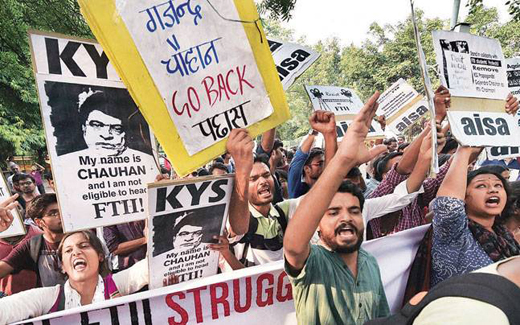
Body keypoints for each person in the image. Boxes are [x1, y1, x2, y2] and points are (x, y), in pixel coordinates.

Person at [284, 92, 390, 324]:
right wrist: (342, 159)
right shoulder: (313, 263)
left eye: (354, 211)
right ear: (317, 225)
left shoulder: (370, 262)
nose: (346, 218)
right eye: (333, 212)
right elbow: (293, 244)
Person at [0, 230, 150, 324]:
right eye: (68, 250)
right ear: (63, 266)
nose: (76, 253)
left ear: (100, 256)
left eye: (84, 246)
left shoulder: (118, 284)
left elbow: (159, 264)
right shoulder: (49, 298)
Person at [430, 147, 520, 287]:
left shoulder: (503, 234)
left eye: (498, 185)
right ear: (464, 197)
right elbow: (449, 205)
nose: (493, 189)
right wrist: (464, 151)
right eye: (481, 186)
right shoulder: (455, 234)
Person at [0, 193, 66, 287]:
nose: (61, 216)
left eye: (62, 211)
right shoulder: (32, 245)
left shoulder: (85, 237)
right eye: (54, 213)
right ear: (39, 222)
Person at [288, 111, 337, 198]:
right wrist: (314, 132)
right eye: (319, 164)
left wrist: (329, 132)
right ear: (307, 169)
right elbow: (299, 159)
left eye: (324, 162)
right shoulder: (297, 191)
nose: (324, 166)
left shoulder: (327, 187)